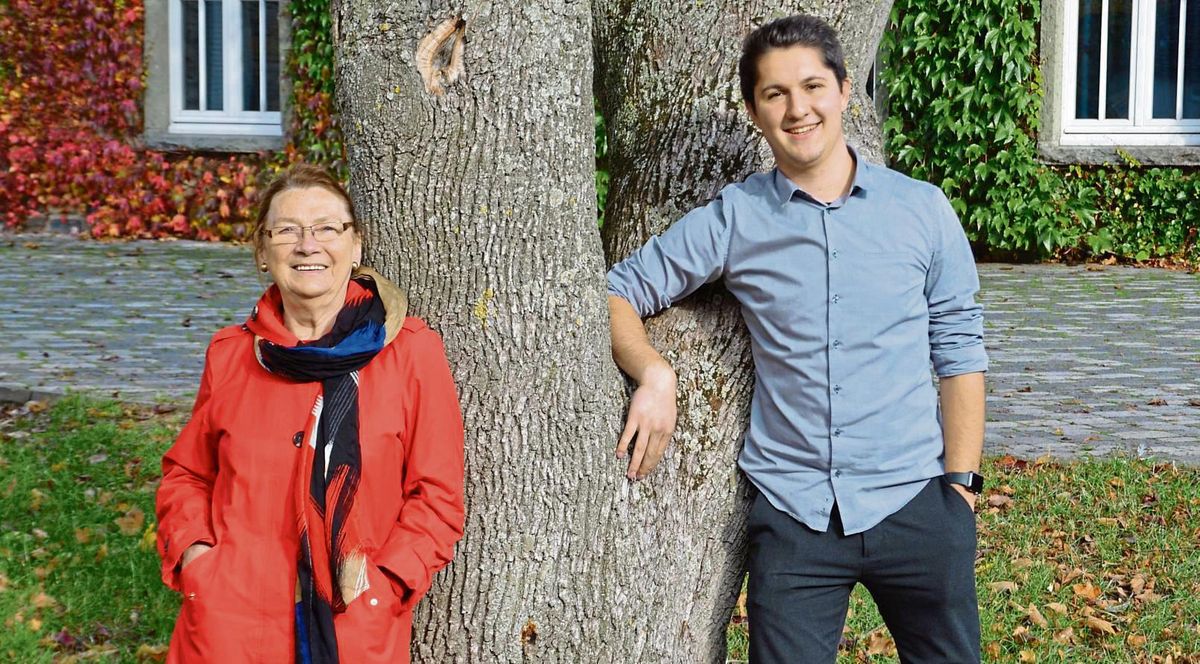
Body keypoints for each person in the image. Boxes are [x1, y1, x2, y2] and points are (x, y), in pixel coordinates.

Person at [606, 15, 988, 664]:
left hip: (916, 504)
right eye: (775, 93)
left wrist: (961, 488)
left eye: (812, 85)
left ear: (843, 90)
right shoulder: (737, 218)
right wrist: (654, 373)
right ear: (755, 110)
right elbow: (618, 291)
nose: (797, 107)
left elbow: (960, 350)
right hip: (796, 514)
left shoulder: (922, 210)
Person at [155, 164, 465, 663]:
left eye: (327, 228)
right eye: (287, 231)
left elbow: (438, 498)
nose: (307, 245)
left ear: (356, 244)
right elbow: (188, 474)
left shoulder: (410, 353)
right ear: (262, 251)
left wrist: (386, 585)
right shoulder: (232, 355)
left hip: (354, 623)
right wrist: (198, 559)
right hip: (231, 623)